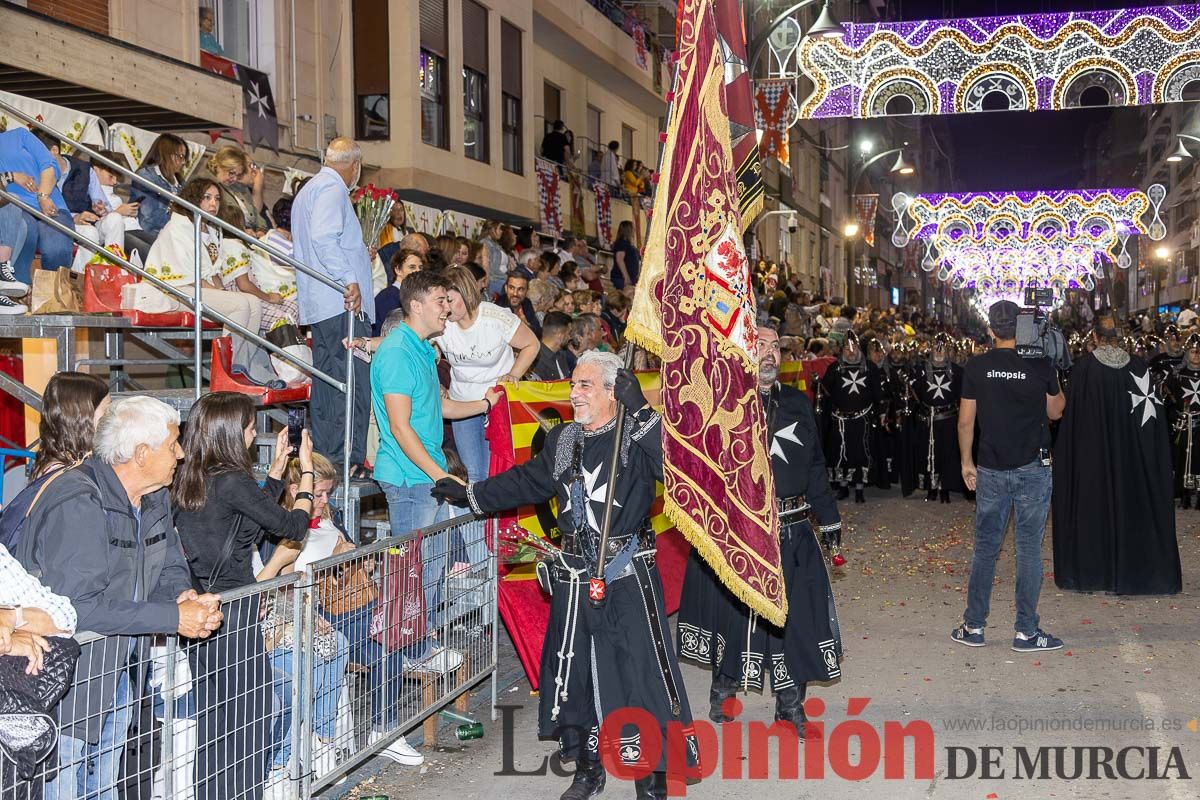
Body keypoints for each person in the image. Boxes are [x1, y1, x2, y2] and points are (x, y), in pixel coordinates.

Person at [432, 352, 698, 799]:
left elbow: (680, 472)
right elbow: (527, 482)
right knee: (575, 676)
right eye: (573, 384)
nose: (574, 393)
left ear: (614, 392)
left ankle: (651, 778)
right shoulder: (564, 441)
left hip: (628, 573)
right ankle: (589, 769)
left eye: (586, 385)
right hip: (575, 575)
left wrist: (646, 414)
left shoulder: (634, 435)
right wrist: (471, 494)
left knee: (639, 676)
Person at [15, 396, 224, 800]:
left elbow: (167, 563)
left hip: (120, 667)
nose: (180, 454)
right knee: (64, 785)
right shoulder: (78, 501)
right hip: (65, 679)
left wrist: (183, 596)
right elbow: (77, 607)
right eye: (173, 443)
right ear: (141, 454)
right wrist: (172, 617)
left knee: (105, 784)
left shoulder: (153, 495)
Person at [677, 325, 842, 731]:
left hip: (791, 524)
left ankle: (789, 704)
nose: (769, 354)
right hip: (740, 531)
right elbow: (701, 466)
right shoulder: (723, 401)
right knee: (736, 614)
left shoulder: (798, 404)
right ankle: (724, 689)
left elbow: (816, 464)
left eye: (775, 348)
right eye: (760, 346)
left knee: (795, 616)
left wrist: (830, 515)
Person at [171, 392, 316, 800]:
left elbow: (240, 522)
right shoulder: (231, 480)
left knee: (218, 715)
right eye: (252, 425)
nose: (256, 432)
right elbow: (292, 525)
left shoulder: (192, 475)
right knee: (248, 715)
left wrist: (270, 479)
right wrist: (304, 473)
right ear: (233, 432)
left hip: (203, 605)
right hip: (233, 609)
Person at [369, 271, 500, 650]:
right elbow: (399, 426)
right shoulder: (396, 352)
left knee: (432, 565)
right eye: (441, 300)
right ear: (416, 305)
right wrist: (441, 475)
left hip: (425, 475)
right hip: (410, 479)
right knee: (412, 572)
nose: (448, 308)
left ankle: (420, 642)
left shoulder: (423, 349)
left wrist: (485, 403)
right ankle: (409, 651)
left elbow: (438, 405)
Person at [953, 300, 1066, 652]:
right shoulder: (1042, 364)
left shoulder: (976, 366)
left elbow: (965, 420)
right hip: (1033, 467)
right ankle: (1026, 632)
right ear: (1020, 329)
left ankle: (974, 627)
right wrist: (1051, 375)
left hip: (991, 467)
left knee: (986, 548)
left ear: (990, 331)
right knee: (1029, 550)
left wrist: (965, 462)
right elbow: (1057, 410)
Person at [1052, 312, 1180, 596]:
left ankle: (1094, 572)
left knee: (1095, 508)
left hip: (1092, 460)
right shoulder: (1139, 368)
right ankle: (1132, 568)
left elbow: (1071, 421)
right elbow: (1153, 420)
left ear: (1095, 337)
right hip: (1131, 462)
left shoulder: (1084, 370)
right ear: (1120, 338)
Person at [142, 177, 282, 387]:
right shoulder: (178, 228)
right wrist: (227, 296)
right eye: (206, 198)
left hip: (197, 289)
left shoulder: (211, 229)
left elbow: (213, 272)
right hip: (174, 290)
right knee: (241, 304)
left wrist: (225, 293)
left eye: (216, 198)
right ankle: (225, 369)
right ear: (193, 199)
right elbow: (192, 275)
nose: (213, 203)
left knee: (251, 302)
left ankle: (242, 366)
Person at [292, 137, 375, 478]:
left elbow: (324, 240)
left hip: (323, 304)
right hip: (341, 303)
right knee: (351, 382)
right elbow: (324, 238)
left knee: (330, 383)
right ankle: (347, 459)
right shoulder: (333, 189)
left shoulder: (310, 189)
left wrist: (355, 257)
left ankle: (329, 458)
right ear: (354, 166)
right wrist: (349, 278)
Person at [439, 264, 539, 491]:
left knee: (497, 470)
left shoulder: (495, 316)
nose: (445, 308)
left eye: (450, 300)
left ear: (465, 293)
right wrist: (438, 384)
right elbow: (422, 353)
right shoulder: (441, 322)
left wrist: (513, 374)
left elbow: (532, 344)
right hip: (463, 403)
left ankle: (497, 524)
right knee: (474, 472)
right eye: (442, 301)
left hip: (497, 402)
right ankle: (482, 526)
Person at [0, 127, 75, 292]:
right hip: (16, 208)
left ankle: (54, 297)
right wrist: (11, 175)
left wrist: (43, 196)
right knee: (25, 232)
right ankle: (18, 291)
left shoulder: (19, 135)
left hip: (49, 202)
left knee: (57, 248)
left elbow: (49, 166)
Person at [817, 331, 882, 504]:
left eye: (853, 348)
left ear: (859, 348)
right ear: (842, 350)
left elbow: (878, 393)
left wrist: (880, 412)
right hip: (839, 419)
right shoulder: (835, 368)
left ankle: (859, 488)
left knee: (860, 453)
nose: (850, 352)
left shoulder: (870, 367)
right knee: (840, 453)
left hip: (862, 419)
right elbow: (825, 391)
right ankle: (843, 486)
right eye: (847, 348)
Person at [911, 333, 963, 503]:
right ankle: (931, 488)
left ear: (947, 350)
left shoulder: (956, 371)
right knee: (929, 454)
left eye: (942, 348)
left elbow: (961, 395)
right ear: (931, 349)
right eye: (936, 347)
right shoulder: (920, 370)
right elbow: (916, 393)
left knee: (947, 454)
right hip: (928, 419)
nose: (939, 351)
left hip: (948, 419)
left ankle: (945, 488)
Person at [132, 133, 190, 240]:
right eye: (181, 156)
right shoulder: (145, 176)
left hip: (175, 236)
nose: (183, 162)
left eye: (185, 157)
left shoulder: (181, 183)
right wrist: (176, 212)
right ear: (166, 154)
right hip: (150, 237)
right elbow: (147, 220)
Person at [1165, 332, 1200, 508]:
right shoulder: (1178, 374)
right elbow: (1168, 397)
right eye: (1193, 351)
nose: (1196, 354)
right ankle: (1184, 495)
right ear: (1188, 353)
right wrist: (1176, 414)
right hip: (1184, 424)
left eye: (1199, 352)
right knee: (1182, 459)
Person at [206, 145, 270, 235]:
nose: (234, 179)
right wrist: (242, 231)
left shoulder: (241, 187)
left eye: (238, 175)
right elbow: (213, 220)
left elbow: (258, 217)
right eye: (231, 173)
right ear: (220, 166)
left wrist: (261, 231)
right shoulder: (207, 186)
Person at [373, 247, 423, 336]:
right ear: (398, 270)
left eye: (420, 267)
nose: (418, 271)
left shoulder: (413, 295)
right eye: (412, 267)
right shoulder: (388, 297)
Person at [528, 311, 574, 381]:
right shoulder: (535, 359)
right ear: (559, 332)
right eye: (569, 333)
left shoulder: (562, 355)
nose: (570, 337)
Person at [494, 269, 541, 338]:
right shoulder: (499, 306)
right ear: (506, 288)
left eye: (520, 289)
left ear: (527, 291)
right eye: (512, 288)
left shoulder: (526, 303)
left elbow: (539, 333)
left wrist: (527, 326)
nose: (515, 293)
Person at [611, 220, 640, 291]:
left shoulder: (628, 244)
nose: (634, 231)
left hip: (630, 277)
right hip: (622, 278)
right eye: (633, 229)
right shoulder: (622, 243)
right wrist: (626, 277)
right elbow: (619, 259)